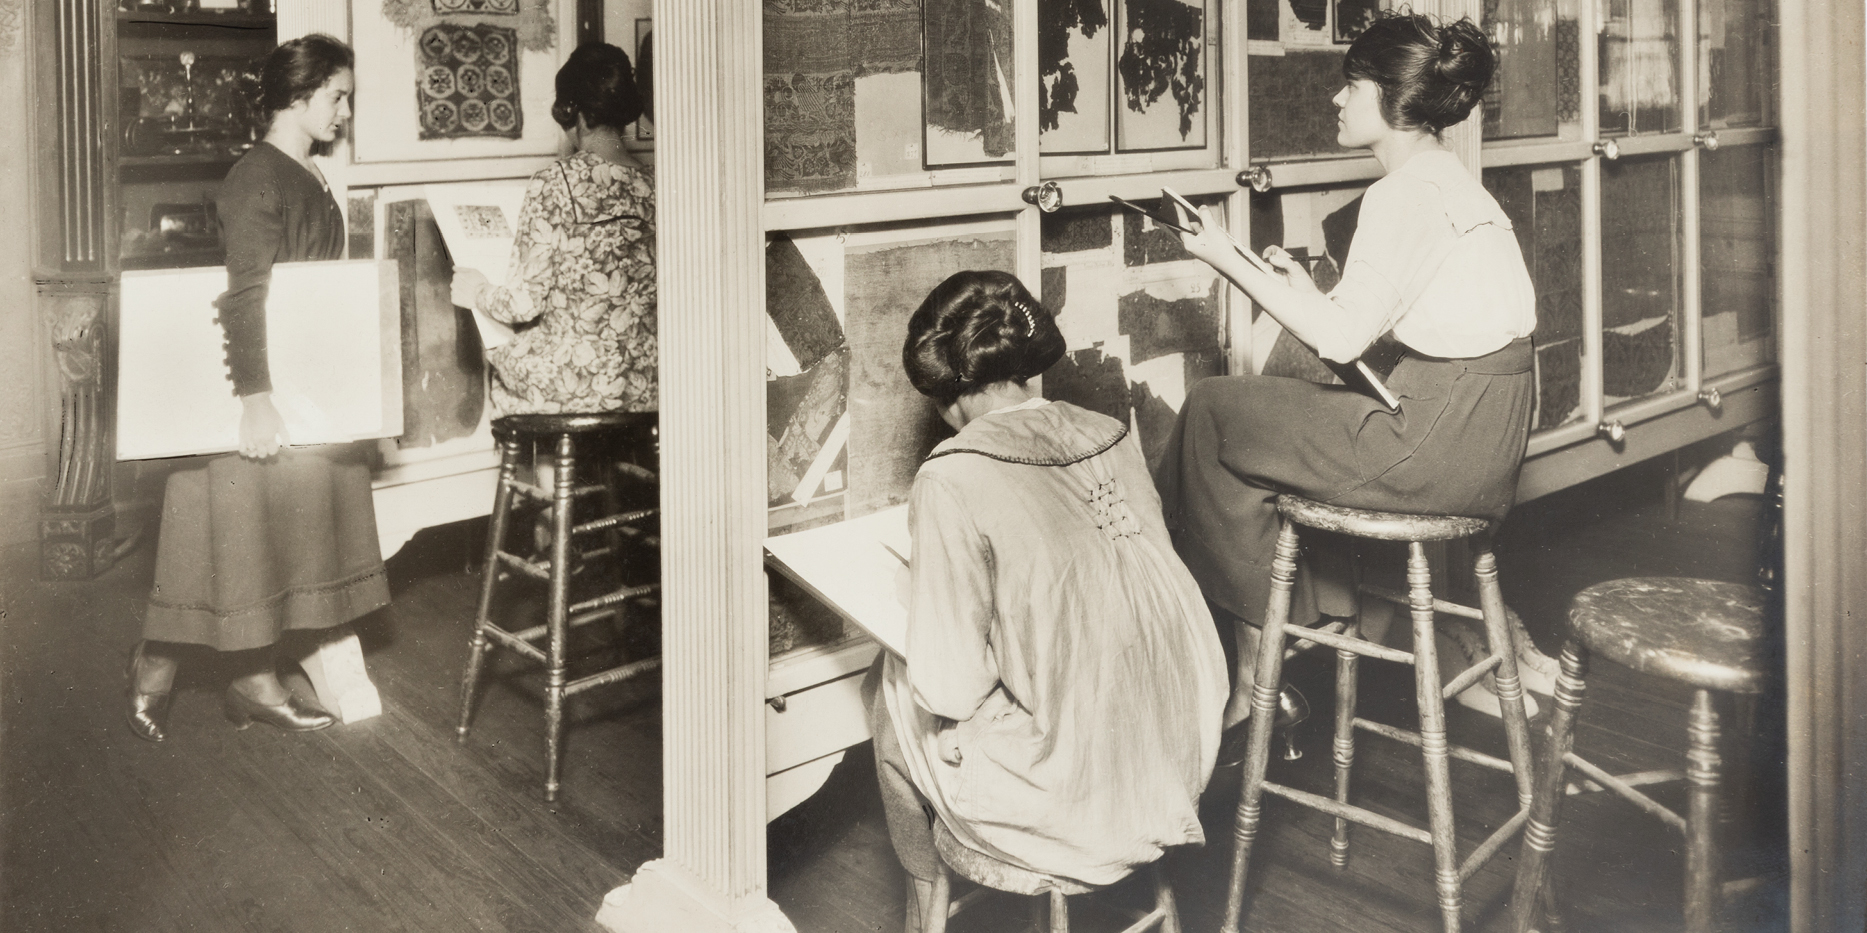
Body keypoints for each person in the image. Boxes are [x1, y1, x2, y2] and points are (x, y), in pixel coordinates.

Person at [1153, 11, 1545, 727]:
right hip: (1482, 438)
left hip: (1436, 438)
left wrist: (1216, 257)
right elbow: (1387, 319)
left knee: (1212, 409)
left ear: (1388, 96)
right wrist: (1289, 286)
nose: (1337, 100)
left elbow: (1340, 336)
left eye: (1351, 84)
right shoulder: (1450, 183)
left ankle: (1253, 665)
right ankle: (1313, 617)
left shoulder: (1402, 194)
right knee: (1261, 412)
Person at [866, 270, 1228, 923]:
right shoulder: (1109, 429)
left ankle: (923, 907)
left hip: (1079, 803)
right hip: (1182, 751)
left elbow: (950, 688)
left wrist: (920, 600)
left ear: (947, 395)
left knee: (890, 690)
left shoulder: (950, 475)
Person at [127, 33, 388, 741]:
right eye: (337, 97)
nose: (343, 112)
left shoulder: (307, 173)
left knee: (285, 539)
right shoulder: (256, 179)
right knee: (244, 539)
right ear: (299, 96)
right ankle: (172, 660)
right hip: (268, 387)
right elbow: (244, 298)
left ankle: (246, 676)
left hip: (307, 387)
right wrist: (255, 397)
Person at [450, 42, 656, 417]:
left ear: (572, 112)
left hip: (575, 386)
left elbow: (522, 304)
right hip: (650, 384)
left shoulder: (555, 181)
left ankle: (545, 475)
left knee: (500, 353)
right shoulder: (654, 183)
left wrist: (477, 290)